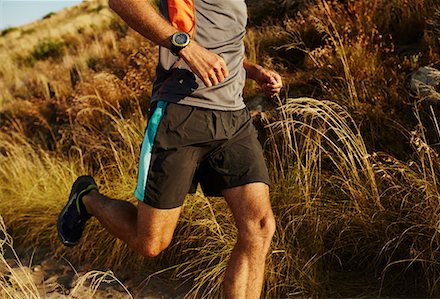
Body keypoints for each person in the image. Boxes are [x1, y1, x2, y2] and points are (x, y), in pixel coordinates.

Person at [57, 0, 282, 298]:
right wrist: (185, 46)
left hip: (234, 117)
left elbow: (221, 45)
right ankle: (87, 199)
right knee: (150, 242)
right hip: (181, 111)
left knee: (260, 227)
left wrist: (255, 71)